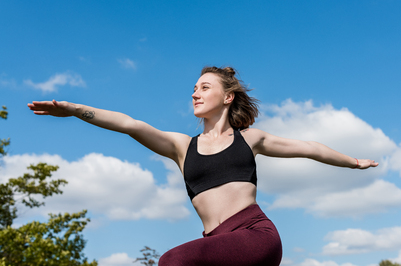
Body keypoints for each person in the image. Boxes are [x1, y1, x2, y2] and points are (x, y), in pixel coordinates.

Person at [28, 66, 378, 266]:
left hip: (255, 235)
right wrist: (74, 109)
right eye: (194, 88)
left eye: (204, 87)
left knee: (172, 262)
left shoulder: (250, 140)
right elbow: (129, 124)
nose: (195, 93)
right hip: (218, 241)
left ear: (227, 97)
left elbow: (308, 148)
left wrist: (352, 162)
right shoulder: (183, 147)